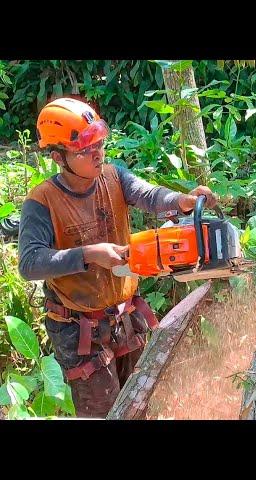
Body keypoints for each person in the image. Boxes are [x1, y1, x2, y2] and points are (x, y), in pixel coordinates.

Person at [18, 97, 217, 417]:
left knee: (142, 399)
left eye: (99, 144)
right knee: (105, 411)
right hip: (78, 328)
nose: (97, 154)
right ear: (59, 157)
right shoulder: (42, 202)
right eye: (85, 150)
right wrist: (88, 255)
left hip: (124, 314)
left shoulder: (113, 176)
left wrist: (181, 200)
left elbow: (149, 195)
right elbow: (29, 263)